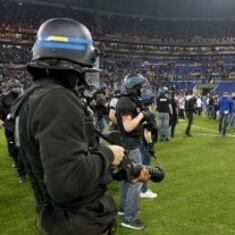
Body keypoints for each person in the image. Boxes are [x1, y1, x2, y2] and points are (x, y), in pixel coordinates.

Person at [10, 18, 150, 235]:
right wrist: (109, 155)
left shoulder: (37, 95)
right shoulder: (57, 99)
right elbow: (68, 183)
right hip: (79, 222)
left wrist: (119, 172)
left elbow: (67, 164)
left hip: (62, 220)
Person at [116, 73, 153, 230]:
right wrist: (141, 116)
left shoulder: (128, 100)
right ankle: (130, 218)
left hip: (129, 144)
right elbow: (128, 127)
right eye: (140, 87)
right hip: (130, 146)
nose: (142, 89)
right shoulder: (125, 102)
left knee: (126, 178)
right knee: (136, 182)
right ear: (134, 87)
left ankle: (123, 208)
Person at [0, 79, 27, 183]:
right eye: (15, 86)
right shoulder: (4, 98)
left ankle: (21, 166)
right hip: (9, 125)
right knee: (11, 143)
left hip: (21, 124)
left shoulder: (24, 97)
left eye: (18, 86)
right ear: (10, 87)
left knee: (20, 146)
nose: (17, 88)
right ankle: (15, 160)